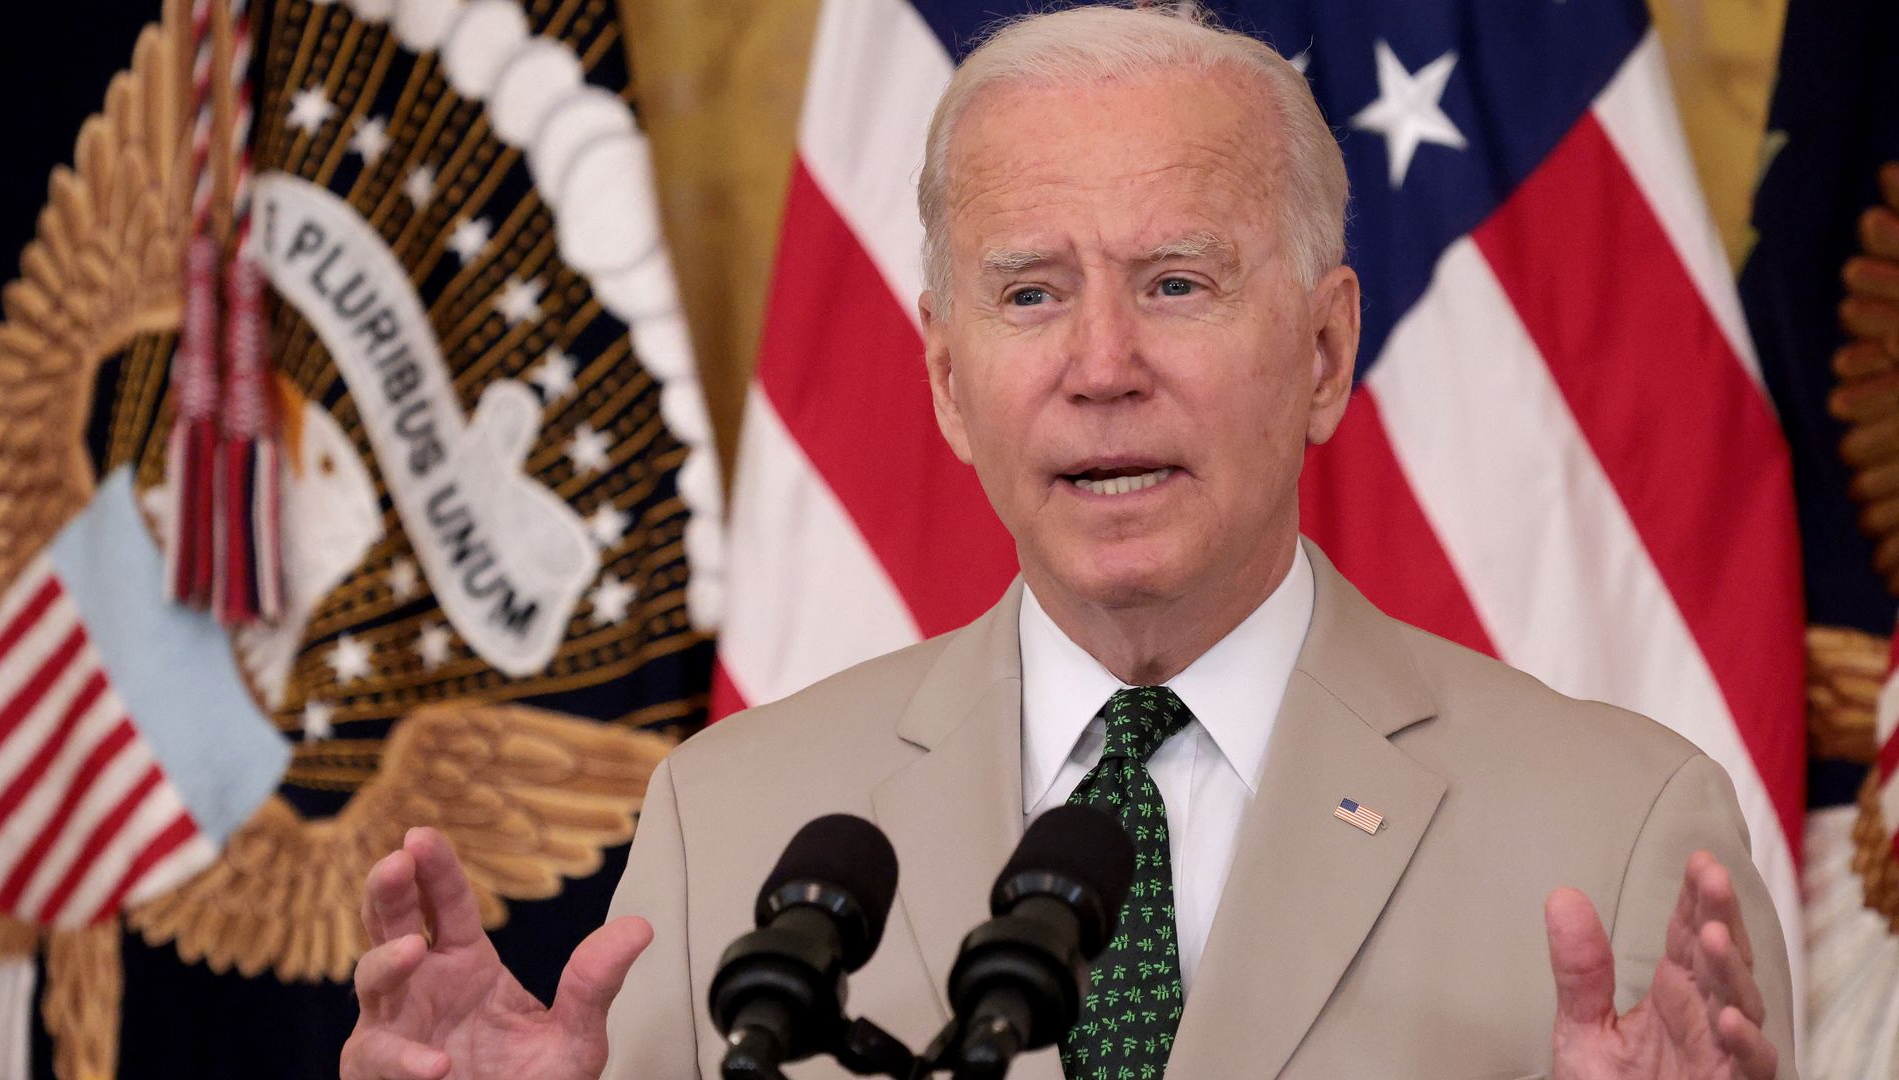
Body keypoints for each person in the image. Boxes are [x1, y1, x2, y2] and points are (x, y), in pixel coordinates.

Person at [339, 6, 1795, 1079]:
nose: (1102, 367)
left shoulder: (1616, 831)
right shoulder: (728, 825)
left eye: (1176, 282)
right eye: (1031, 294)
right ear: (946, 381)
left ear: (1326, 350)